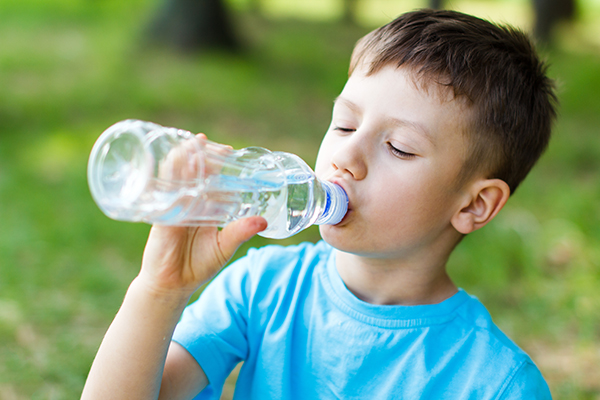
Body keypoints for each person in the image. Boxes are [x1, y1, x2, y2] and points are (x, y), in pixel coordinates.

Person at [81, 9, 557, 400]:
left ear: (474, 205)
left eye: (400, 148)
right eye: (345, 125)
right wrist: (159, 291)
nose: (346, 158)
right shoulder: (262, 288)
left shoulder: (495, 384)